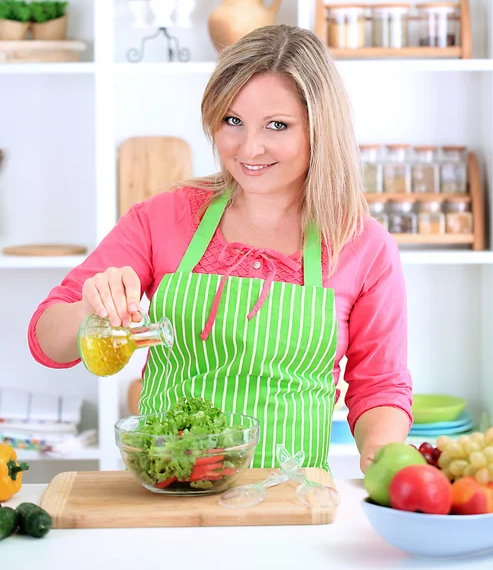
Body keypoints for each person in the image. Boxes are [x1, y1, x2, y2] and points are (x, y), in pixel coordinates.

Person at [28, 24, 412, 474]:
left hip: (285, 502)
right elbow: (46, 340)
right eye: (232, 121)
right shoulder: (164, 216)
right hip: (167, 491)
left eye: (277, 125)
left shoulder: (363, 245)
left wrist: (383, 457)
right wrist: (89, 310)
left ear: (319, 128)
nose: (249, 147)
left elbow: (379, 386)